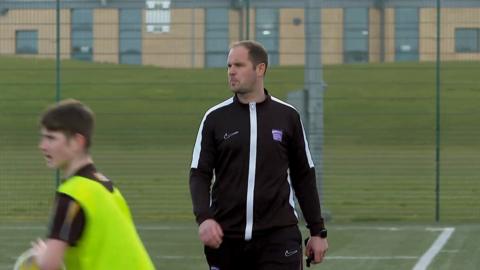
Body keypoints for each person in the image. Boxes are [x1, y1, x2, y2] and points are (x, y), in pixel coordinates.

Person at [189, 40, 328, 270]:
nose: (231, 71)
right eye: (229, 66)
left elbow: (304, 175)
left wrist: (317, 231)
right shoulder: (214, 118)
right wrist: (204, 218)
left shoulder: (287, 116)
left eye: (239, 65)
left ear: (260, 69)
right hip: (227, 240)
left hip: (279, 237)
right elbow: (199, 174)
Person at [34, 99, 155, 270]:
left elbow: (49, 264)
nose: (42, 146)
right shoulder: (106, 187)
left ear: (77, 141)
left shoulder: (72, 195)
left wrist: (41, 256)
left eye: (51, 138)